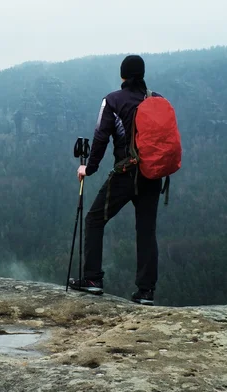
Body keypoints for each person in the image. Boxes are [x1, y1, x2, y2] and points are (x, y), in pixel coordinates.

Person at [68, 55, 163, 306]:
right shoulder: (157, 99)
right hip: (153, 175)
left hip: (126, 173)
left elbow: (101, 137)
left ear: (122, 75)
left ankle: (92, 279)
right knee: (146, 231)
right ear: (142, 74)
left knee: (95, 219)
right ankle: (146, 292)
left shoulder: (112, 101)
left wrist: (89, 168)